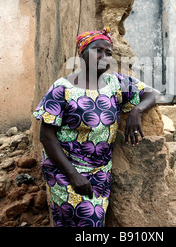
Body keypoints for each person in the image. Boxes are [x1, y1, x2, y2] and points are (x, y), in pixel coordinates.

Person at [33, 27, 160, 227]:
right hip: (65, 170)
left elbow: (152, 93)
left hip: (101, 171)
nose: (104, 56)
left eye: (108, 53)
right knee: (87, 221)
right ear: (82, 53)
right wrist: (73, 175)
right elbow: (47, 137)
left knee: (93, 223)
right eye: (97, 50)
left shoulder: (116, 83)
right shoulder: (62, 88)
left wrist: (137, 110)